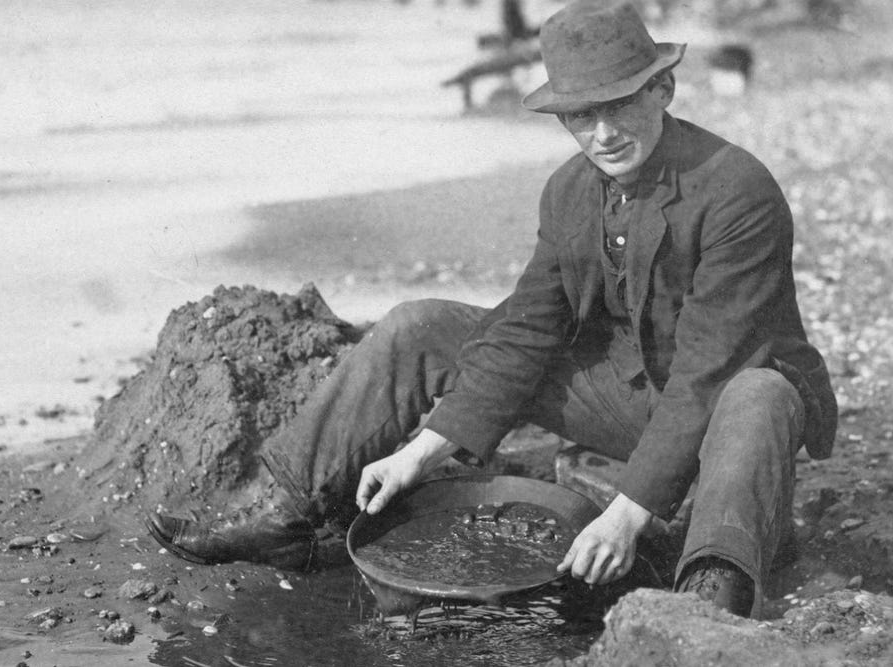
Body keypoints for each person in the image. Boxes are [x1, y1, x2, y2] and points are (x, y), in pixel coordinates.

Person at [146, 0, 836, 619]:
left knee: (760, 390)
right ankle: (291, 512)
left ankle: (711, 591)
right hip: (627, 401)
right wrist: (424, 450)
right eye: (580, 115)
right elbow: (526, 328)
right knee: (423, 325)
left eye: (621, 104)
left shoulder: (736, 188)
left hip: (729, 419)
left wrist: (626, 514)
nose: (603, 133)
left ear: (662, 88)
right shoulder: (569, 191)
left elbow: (704, 375)